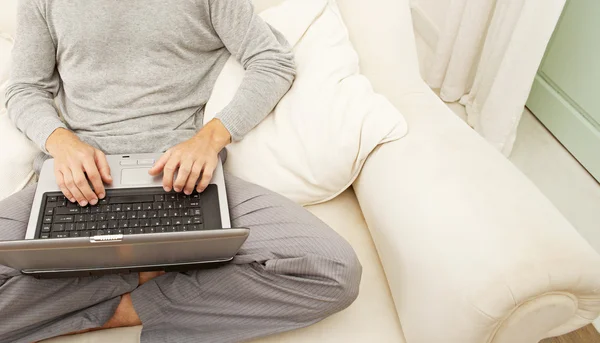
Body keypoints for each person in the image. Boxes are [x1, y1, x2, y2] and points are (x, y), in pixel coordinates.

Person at [0, 0, 362, 342]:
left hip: (184, 178)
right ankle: (138, 278)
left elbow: (272, 60)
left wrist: (210, 139)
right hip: (76, 182)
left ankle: (128, 309)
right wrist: (61, 142)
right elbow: (24, 88)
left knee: (333, 270)